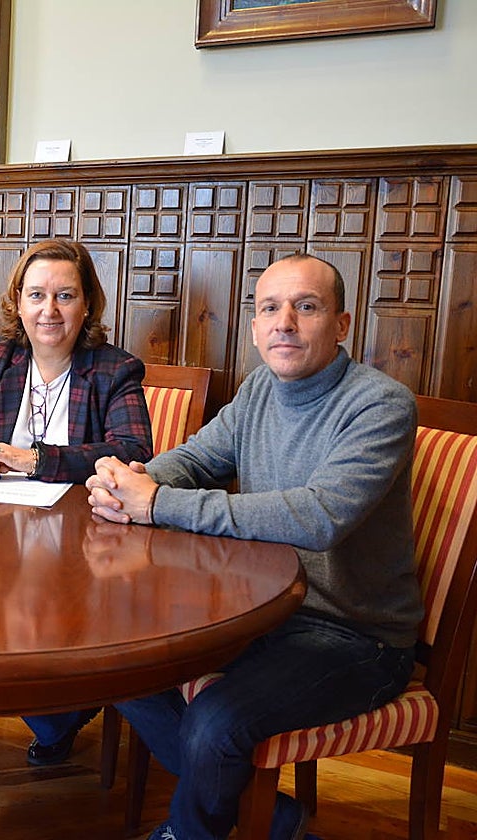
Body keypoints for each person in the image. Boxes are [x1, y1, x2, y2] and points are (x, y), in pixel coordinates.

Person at [86, 253, 422, 840]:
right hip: (261, 609)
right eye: (270, 308)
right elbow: (195, 458)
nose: (284, 322)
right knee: (116, 662)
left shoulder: (381, 404)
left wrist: (156, 504)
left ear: (342, 325)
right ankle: (271, 820)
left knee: (216, 724)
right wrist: (131, 481)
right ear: (255, 325)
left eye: (306, 307)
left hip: (356, 633)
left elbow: (321, 517)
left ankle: (191, 833)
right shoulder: (260, 387)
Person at [0, 237, 152, 766]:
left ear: (87, 303)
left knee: (39, 616)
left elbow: (133, 452)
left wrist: (33, 459)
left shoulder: (114, 369)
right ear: (17, 302)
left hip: (83, 540)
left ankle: (56, 711)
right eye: (36, 294)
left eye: (65, 296)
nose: (49, 310)